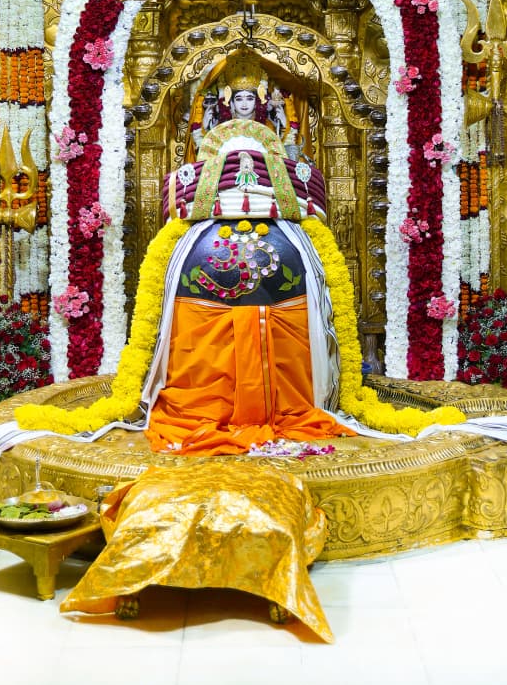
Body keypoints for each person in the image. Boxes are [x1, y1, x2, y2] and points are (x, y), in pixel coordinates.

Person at [142, 49, 354, 455]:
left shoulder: (273, 137)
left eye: (248, 99)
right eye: (237, 98)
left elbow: (297, 175)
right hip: (213, 237)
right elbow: (191, 178)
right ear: (229, 101)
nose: (242, 104)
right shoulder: (212, 139)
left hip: (278, 241)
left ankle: (286, 399)